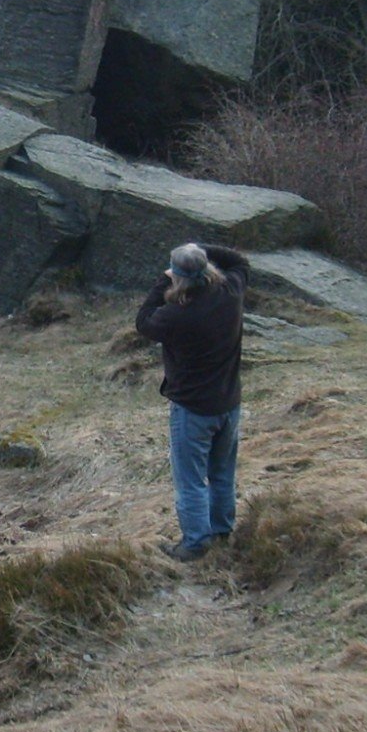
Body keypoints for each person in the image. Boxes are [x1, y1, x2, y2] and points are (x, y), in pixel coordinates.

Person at [135, 240, 250, 561]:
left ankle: (196, 543)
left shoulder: (176, 315)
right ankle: (222, 530)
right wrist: (200, 249)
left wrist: (163, 280)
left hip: (192, 410)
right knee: (222, 473)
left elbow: (143, 321)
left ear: (178, 278)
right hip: (229, 403)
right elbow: (239, 259)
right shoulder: (231, 293)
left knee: (190, 481)